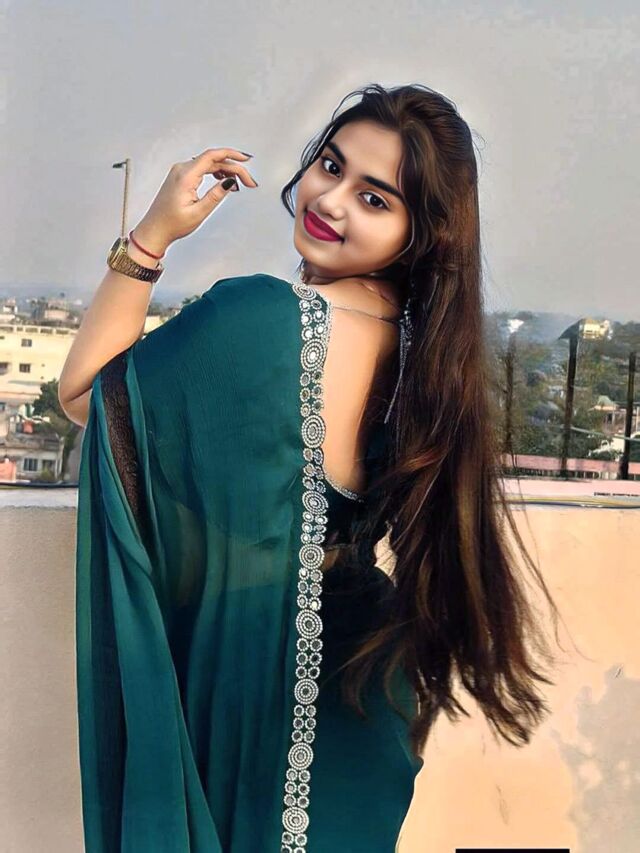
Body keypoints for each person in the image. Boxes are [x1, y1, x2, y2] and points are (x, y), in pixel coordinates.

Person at [61, 83, 563, 853]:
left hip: (253, 686)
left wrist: (152, 238)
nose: (331, 200)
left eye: (374, 197)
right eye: (331, 165)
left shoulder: (259, 319)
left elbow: (86, 399)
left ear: (421, 233)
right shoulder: (434, 363)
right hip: (372, 688)